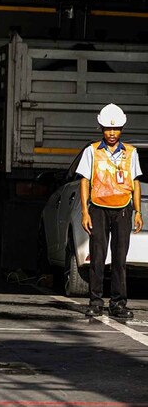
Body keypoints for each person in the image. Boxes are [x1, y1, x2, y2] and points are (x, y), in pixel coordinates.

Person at [76, 103, 143, 319]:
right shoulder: (92, 151)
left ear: (122, 129)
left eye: (115, 129)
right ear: (101, 128)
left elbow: (135, 182)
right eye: (107, 128)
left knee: (120, 259)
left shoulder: (131, 153)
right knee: (97, 257)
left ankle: (118, 304)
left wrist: (138, 211)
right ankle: (96, 302)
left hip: (123, 208)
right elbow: (85, 181)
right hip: (98, 208)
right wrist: (85, 211)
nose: (112, 133)